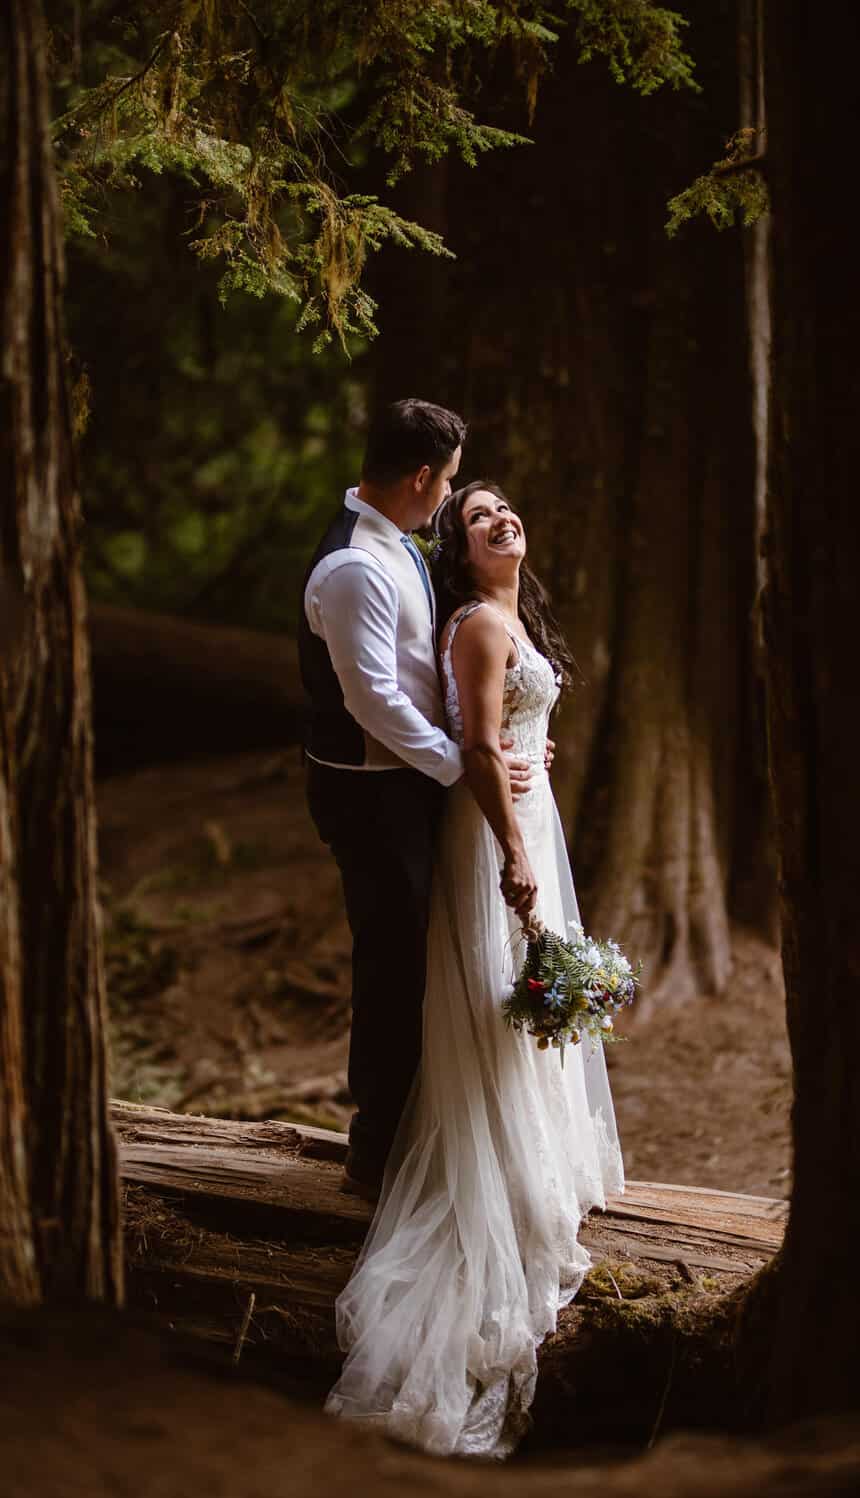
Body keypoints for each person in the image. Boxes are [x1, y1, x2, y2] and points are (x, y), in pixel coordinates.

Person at [324, 479, 624, 1458]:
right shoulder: (474, 625)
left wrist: (529, 782)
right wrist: (514, 851)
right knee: (499, 998)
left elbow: (510, 734)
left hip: (524, 815)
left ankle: (536, 1153)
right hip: (496, 832)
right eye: (473, 514)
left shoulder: (508, 614)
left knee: (521, 1000)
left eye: (502, 507)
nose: (497, 519)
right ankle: (492, 1184)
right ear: (460, 545)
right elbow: (481, 745)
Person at [299, 400, 536, 1201]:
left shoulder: (396, 541)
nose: (451, 499)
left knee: (428, 960)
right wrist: (462, 767)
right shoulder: (353, 568)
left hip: (409, 783)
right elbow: (374, 703)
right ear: (422, 477)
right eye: (452, 484)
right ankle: (375, 1155)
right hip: (371, 797)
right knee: (394, 968)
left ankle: (426, 1133)